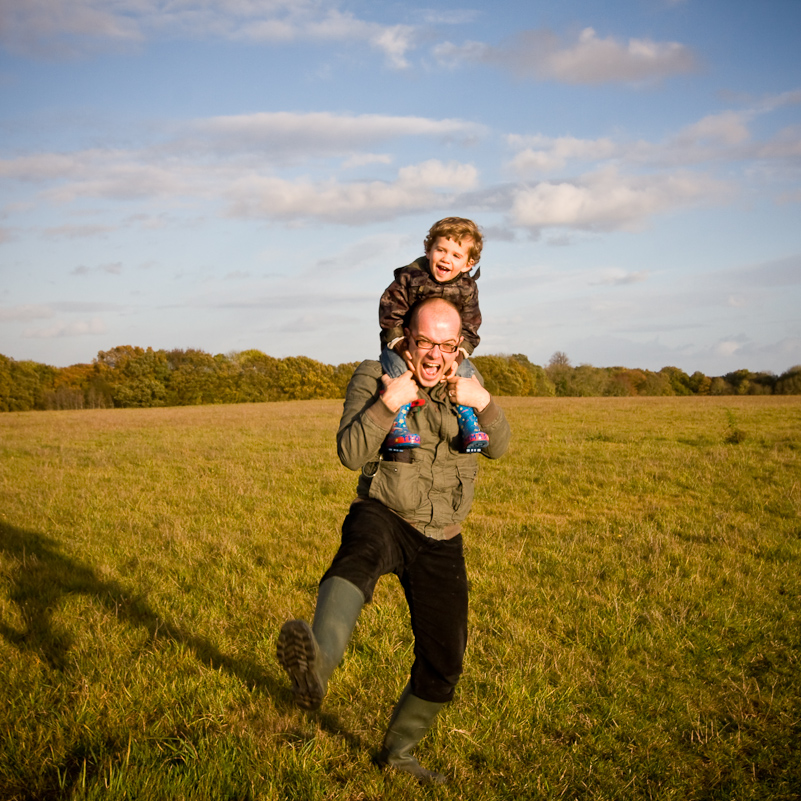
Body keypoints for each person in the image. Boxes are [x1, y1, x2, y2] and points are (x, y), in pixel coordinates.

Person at [277, 297, 511, 784]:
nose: (434, 355)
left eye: (447, 344)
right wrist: (388, 403)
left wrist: (483, 404)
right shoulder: (372, 374)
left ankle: (398, 754)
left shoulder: (468, 381)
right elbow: (349, 452)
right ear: (405, 336)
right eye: (425, 341)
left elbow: (501, 450)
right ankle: (314, 670)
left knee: (445, 659)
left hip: (442, 532)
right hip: (384, 509)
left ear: (460, 345)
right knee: (356, 559)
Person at [379, 217, 488, 453]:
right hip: (404, 345)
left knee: (467, 374)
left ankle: (468, 420)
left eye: (456, 256)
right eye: (441, 250)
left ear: (468, 264)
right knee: (396, 372)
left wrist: (457, 356)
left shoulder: (468, 289)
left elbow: (471, 325)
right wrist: (400, 345)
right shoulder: (409, 278)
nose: (446, 259)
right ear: (428, 250)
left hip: (447, 352)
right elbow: (390, 310)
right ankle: (397, 423)